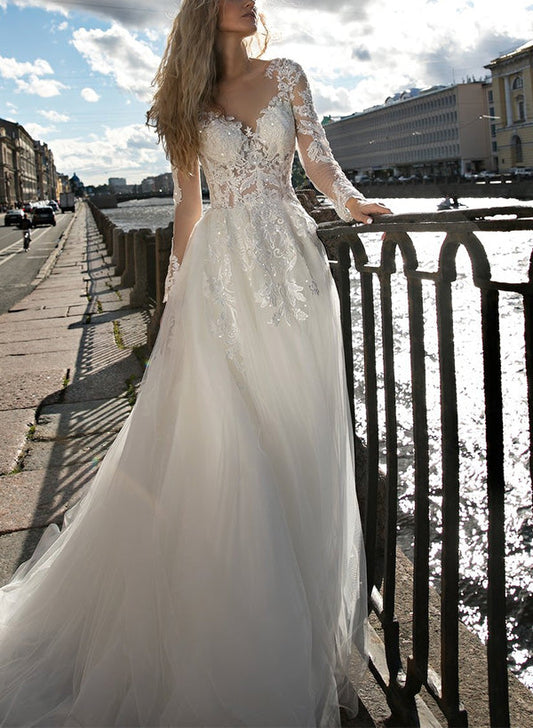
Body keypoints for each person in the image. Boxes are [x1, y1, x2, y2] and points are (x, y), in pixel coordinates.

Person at [0, 1, 391, 725]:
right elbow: (189, 205)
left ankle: (299, 614)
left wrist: (351, 201)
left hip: (294, 276)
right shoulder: (186, 102)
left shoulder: (288, 75)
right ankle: (252, 634)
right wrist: (174, 303)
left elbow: (317, 160)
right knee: (234, 442)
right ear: (206, 13)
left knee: (297, 430)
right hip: (222, 280)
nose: (253, 2)